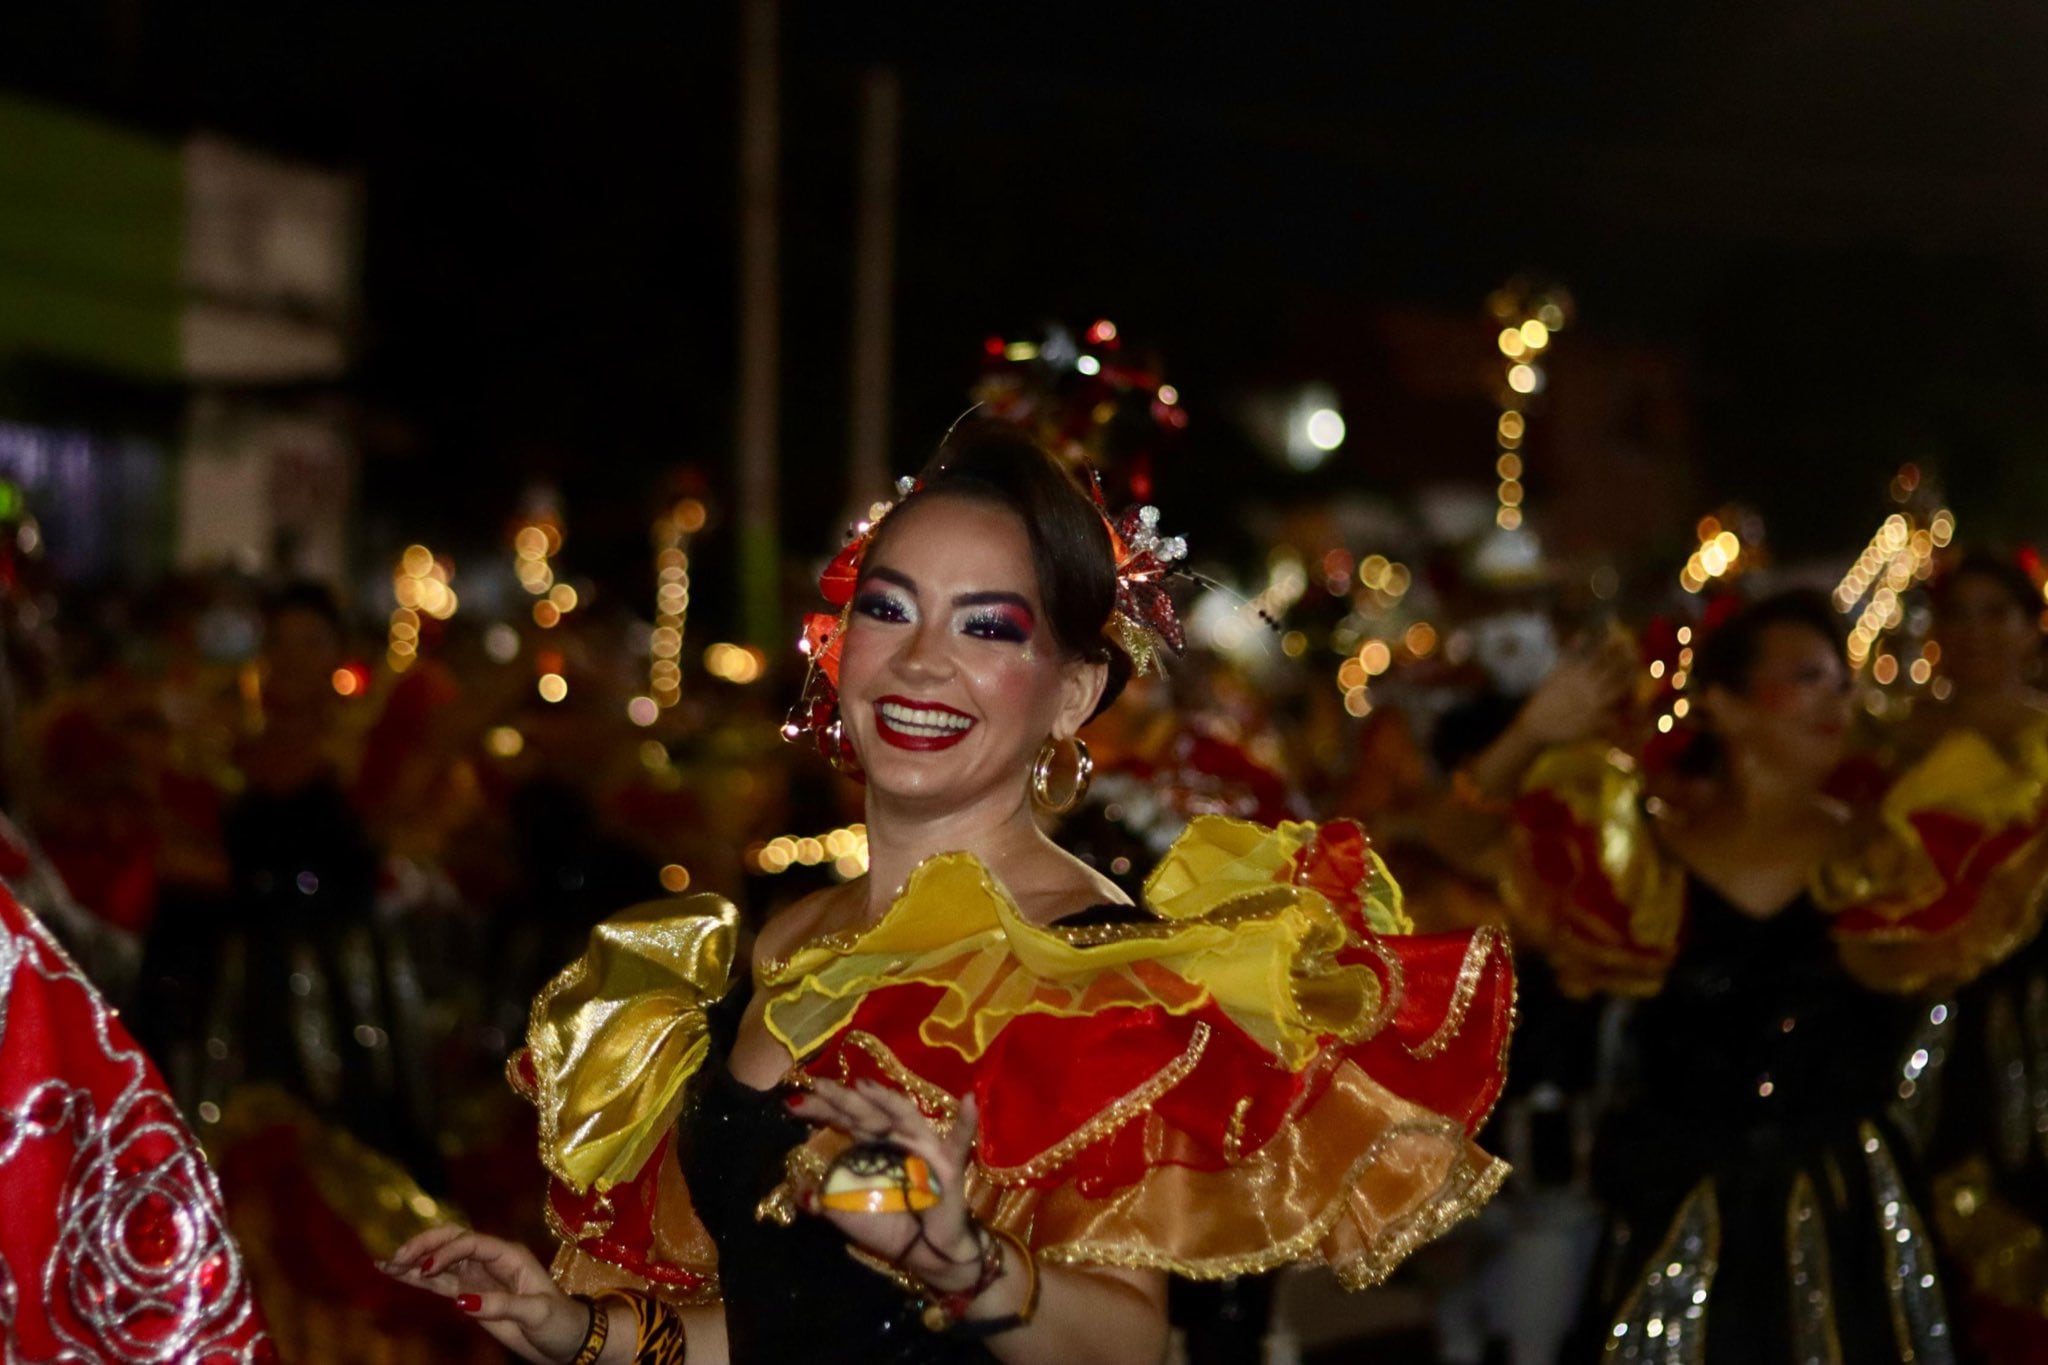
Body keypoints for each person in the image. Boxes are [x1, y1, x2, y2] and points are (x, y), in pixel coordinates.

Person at [381, 424, 1515, 1362]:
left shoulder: (1095, 970)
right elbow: (789, 1324)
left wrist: (962, 1260)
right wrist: (568, 1326)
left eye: (986, 628)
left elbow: (1120, 1348)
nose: (921, 661)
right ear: (838, 648)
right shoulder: (789, 936)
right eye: (889, 609)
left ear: (1069, 695)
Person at [1439, 590, 1966, 1362]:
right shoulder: (1648, 859)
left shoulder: (1888, 853)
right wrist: (1528, 734)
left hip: (1850, 1215)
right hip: (1677, 1207)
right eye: (1807, 677)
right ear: (1724, 705)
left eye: (1842, 681)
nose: (1837, 700)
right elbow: (1456, 839)